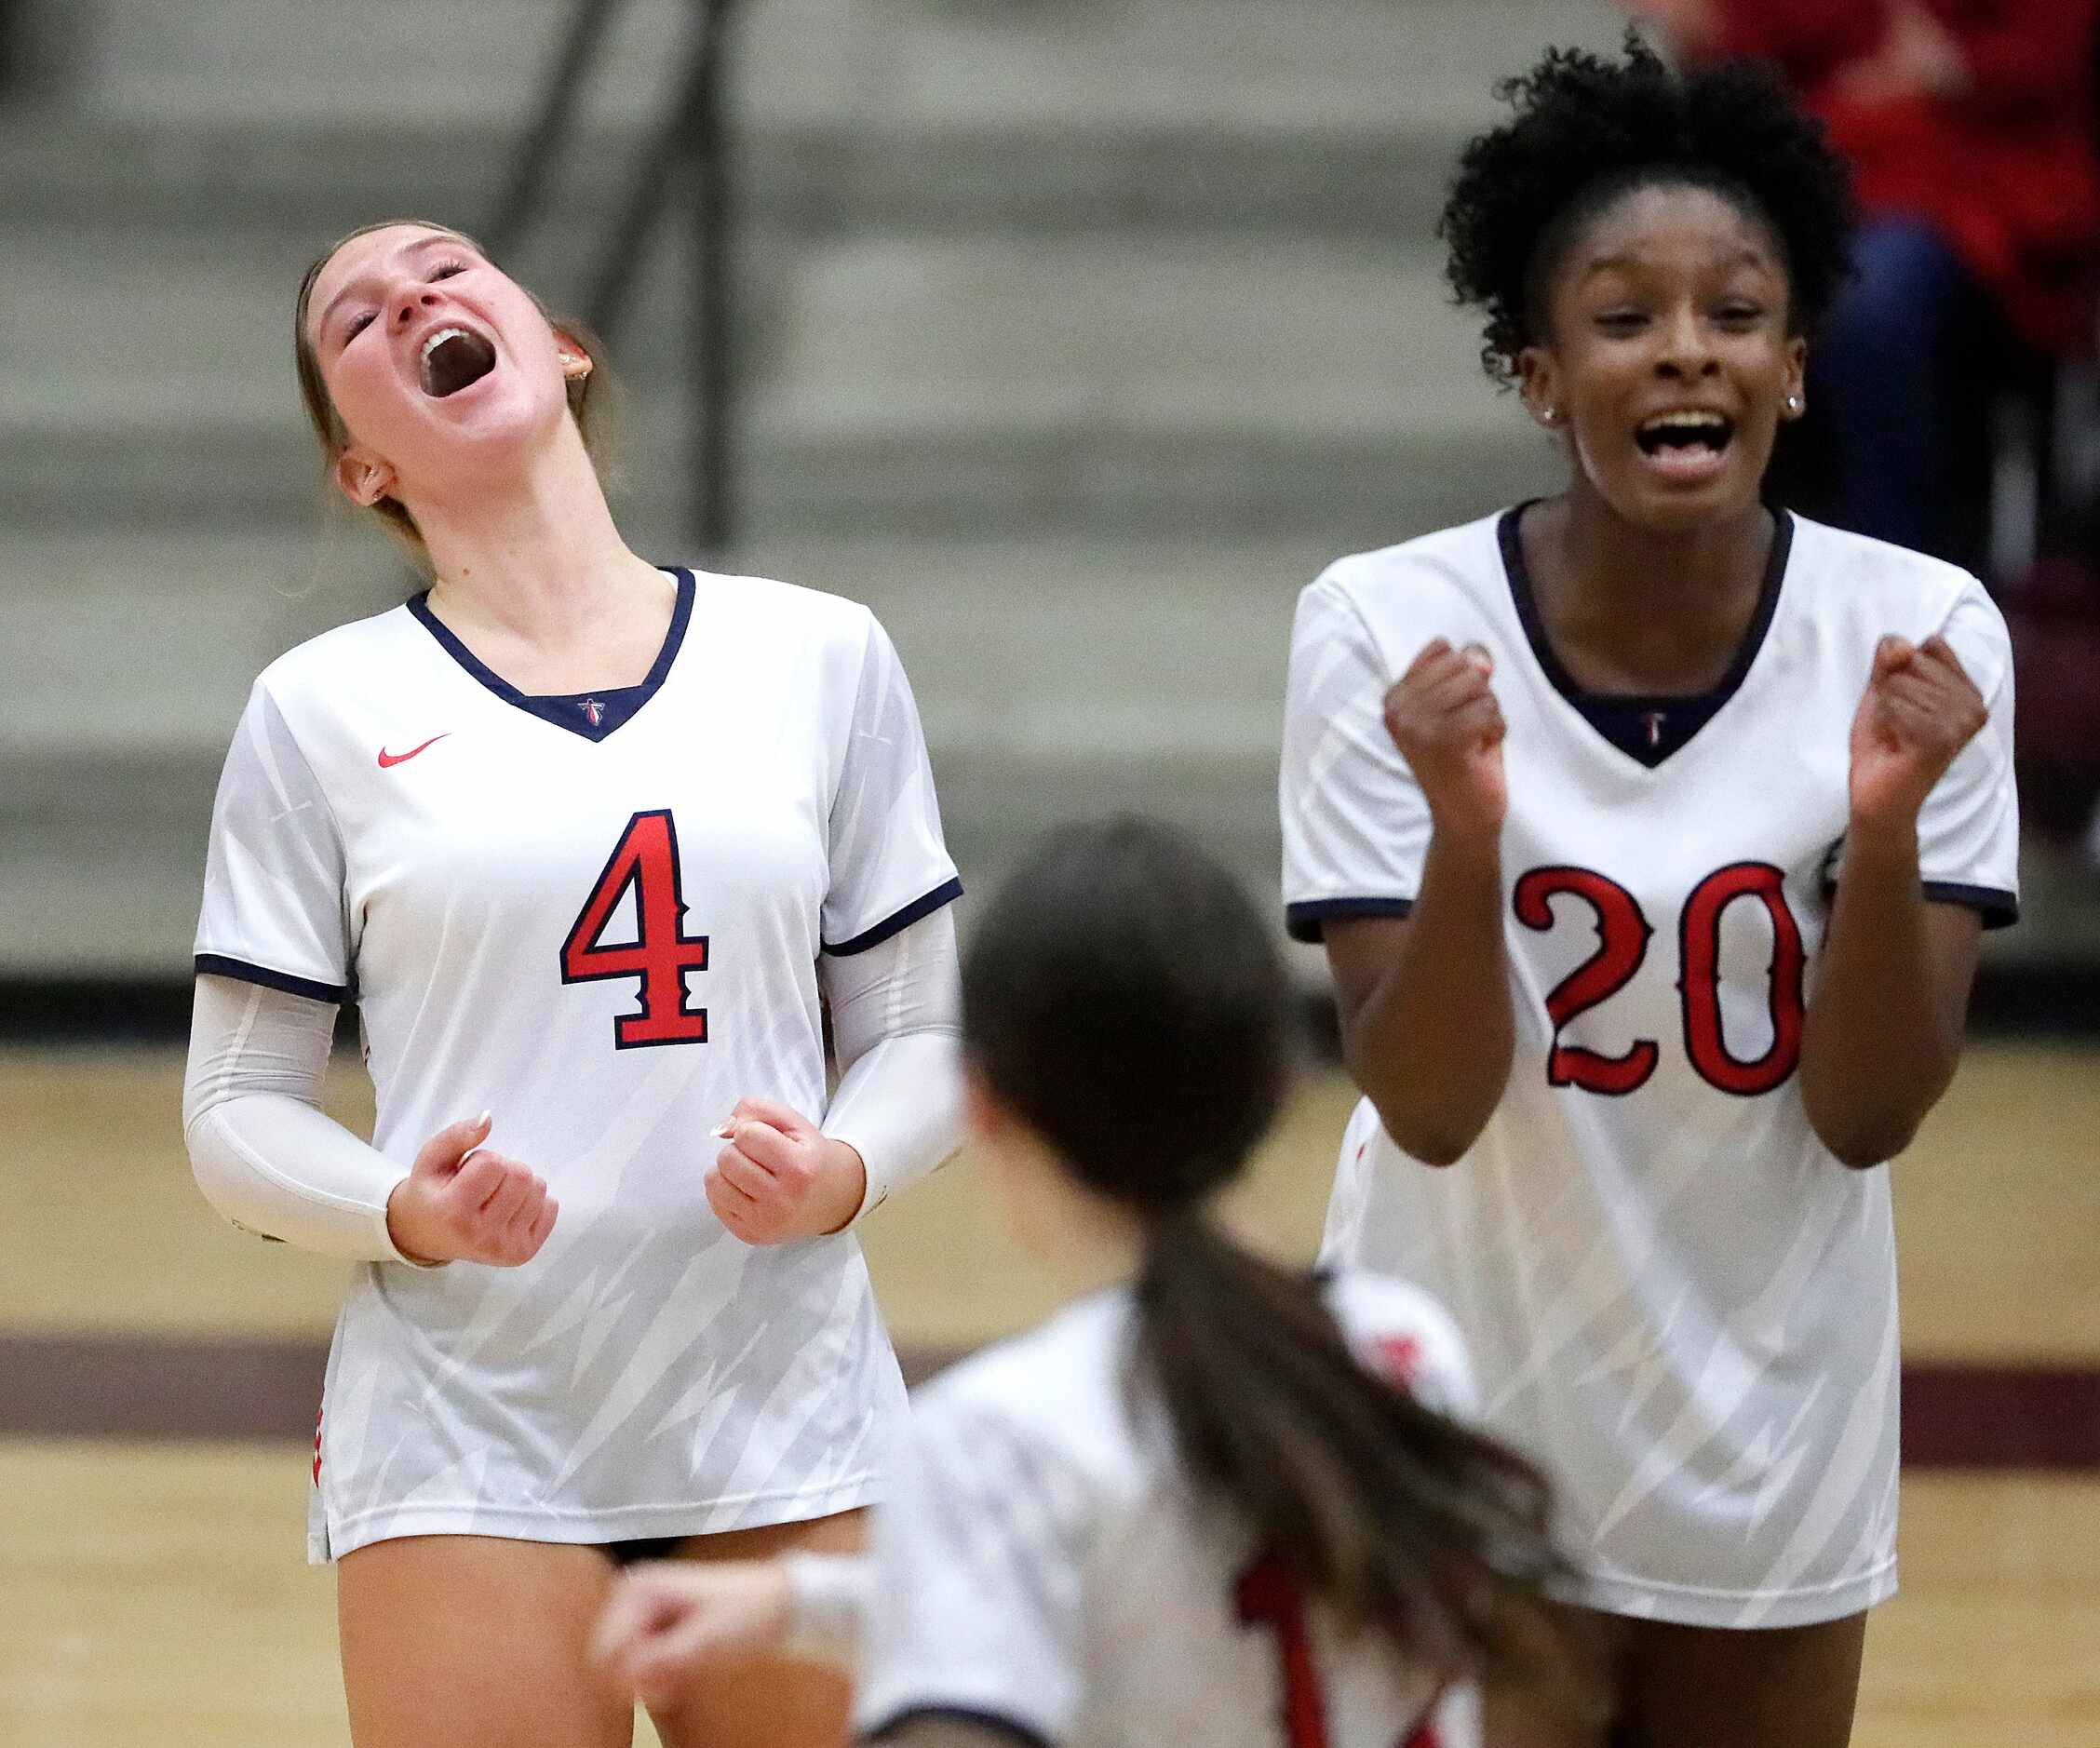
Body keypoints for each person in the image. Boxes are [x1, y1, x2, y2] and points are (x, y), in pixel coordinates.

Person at [1279, 40, 2017, 1748]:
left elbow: (1870, 1112)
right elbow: (1432, 1102)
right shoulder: (1385, 626)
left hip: (1769, 1423)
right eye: (1624, 316)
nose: (1686, 345)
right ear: (1540, 376)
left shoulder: (1916, 635)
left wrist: (1886, 829)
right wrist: (1471, 830)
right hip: (1460, 1416)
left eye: (1736, 311)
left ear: (1798, 365)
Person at [182, 218, 965, 1748]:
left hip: (787, 1402)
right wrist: (401, 1205)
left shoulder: (821, 655)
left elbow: (920, 1030)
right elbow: (233, 1107)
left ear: (562, 342)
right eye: (356, 318)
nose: (412, 297)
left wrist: (841, 1168)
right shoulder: (320, 708)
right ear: (362, 467)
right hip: (471, 1418)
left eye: (445, 269)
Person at [591, 818, 1582, 1747]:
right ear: (1282, 1085)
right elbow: (1168, 1577)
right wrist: (797, 1605)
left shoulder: (1001, 1434)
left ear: (983, 1109)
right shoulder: (1400, 1352)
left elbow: (1067, 1579)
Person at [1625, 0, 2100, 568]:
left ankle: (1901, 588)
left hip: (1978, 198)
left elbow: (2037, 60)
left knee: (1867, 307)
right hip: (1827, 171)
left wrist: (1949, 69)